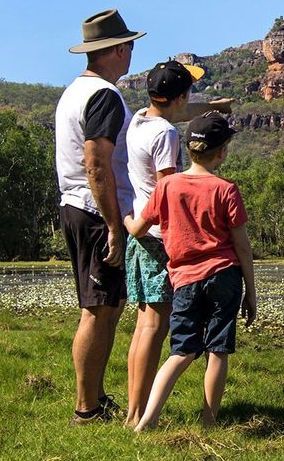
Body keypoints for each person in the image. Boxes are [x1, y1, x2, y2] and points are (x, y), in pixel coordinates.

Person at [130, 112, 257, 431]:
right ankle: (209, 422)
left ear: (189, 149)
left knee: (182, 351)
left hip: (184, 280)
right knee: (217, 350)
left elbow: (140, 228)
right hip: (224, 277)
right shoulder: (227, 189)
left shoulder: (167, 186)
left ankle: (147, 419)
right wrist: (251, 293)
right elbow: (242, 247)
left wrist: (124, 219)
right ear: (222, 152)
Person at [55, 8, 143, 424]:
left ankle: (94, 397)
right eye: (128, 46)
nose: (130, 54)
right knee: (97, 308)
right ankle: (86, 408)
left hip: (77, 207)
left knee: (106, 304)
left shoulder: (75, 91)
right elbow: (96, 163)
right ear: (116, 50)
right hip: (94, 213)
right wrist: (113, 224)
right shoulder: (104, 96)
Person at [119, 59, 201, 426]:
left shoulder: (139, 119)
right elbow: (169, 188)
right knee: (155, 327)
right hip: (156, 236)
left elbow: (173, 116)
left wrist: (212, 109)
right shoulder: (166, 135)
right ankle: (138, 414)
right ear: (180, 96)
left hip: (139, 233)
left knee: (143, 326)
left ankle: (132, 409)